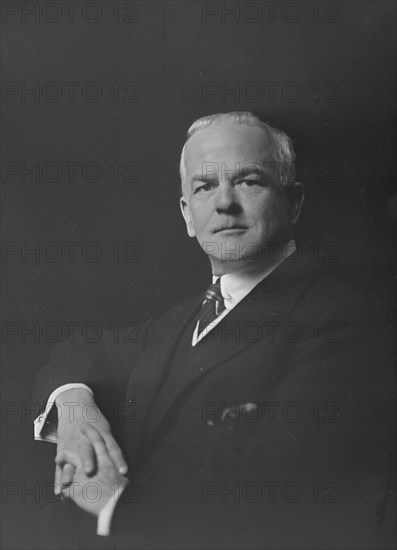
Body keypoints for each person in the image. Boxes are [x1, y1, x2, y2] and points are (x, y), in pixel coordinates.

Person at [33, 112, 394, 549]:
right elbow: (81, 351)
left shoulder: (345, 321)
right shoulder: (177, 322)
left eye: (248, 181)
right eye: (205, 186)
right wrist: (74, 410)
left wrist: (112, 509)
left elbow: (284, 492)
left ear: (294, 202)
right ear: (188, 214)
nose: (224, 202)